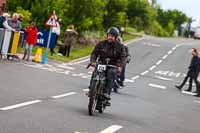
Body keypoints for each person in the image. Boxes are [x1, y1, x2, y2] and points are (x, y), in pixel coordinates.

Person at [88, 27, 126, 104]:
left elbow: (123, 57)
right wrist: (93, 61)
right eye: (109, 35)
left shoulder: (120, 47)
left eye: (112, 36)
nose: (110, 37)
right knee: (96, 72)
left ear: (116, 37)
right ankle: (91, 89)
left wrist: (120, 66)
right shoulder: (101, 44)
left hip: (113, 65)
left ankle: (107, 93)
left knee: (111, 73)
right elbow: (94, 53)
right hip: (102, 63)